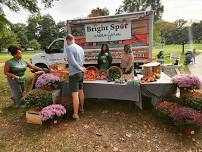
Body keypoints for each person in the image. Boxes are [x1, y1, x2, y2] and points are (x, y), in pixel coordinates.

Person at [65, 34, 85, 120]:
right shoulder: (80, 48)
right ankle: (82, 109)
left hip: (74, 73)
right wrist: (81, 68)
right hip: (81, 73)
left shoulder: (69, 48)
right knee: (81, 91)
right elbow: (82, 60)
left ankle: (75, 114)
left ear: (68, 40)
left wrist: (79, 67)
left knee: (75, 94)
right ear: (73, 39)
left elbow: (73, 62)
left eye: (67, 42)